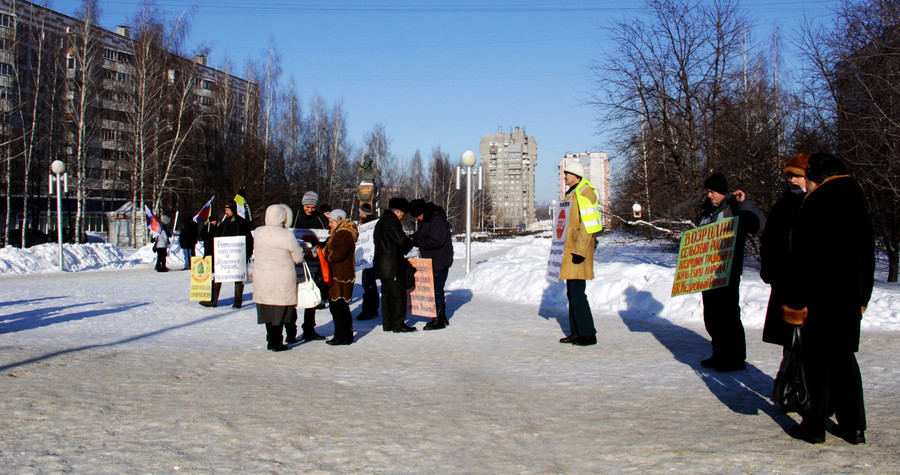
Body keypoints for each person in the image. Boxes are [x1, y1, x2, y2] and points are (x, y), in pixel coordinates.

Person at [783, 153, 875, 445]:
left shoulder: (817, 203)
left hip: (819, 299)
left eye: (807, 176)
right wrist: (862, 297)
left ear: (818, 177)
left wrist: (796, 305)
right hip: (847, 300)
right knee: (845, 362)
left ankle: (813, 426)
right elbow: (868, 257)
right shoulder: (857, 200)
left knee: (816, 365)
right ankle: (854, 426)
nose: (804, 181)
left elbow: (803, 259)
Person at [697, 172, 765, 371]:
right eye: (708, 191)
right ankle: (719, 353)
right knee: (712, 315)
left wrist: (744, 204)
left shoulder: (734, 207)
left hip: (727, 270)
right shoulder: (707, 212)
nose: (709, 195)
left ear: (721, 191)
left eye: (712, 191)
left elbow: (756, 225)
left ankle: (734, 358)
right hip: (708, 272)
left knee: (728, 314)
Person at [760, 154, 809, 349]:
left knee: (808, 341)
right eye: (789, 176)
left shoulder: (816, 204)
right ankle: (789, 377)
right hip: (783, 281)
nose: (792, 180)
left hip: (807, 285)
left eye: (797, 175)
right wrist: (769, 269)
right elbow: (768, 240)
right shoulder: (781, 205)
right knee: (788, 339)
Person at [557, 163, 602, 346]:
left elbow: (589, 225)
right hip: (569, 249)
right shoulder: (572, 193)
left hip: (577, 250)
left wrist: (580, 250)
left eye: (566, 173)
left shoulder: (585, 193)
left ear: (575, 175)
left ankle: (587, 334)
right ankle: (577, 332)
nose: (564, 177)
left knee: (577, 292)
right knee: (572, 292)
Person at [253, 204, 306, 352]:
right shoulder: (287, 235)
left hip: (262, 277)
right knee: (280, 310)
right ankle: (277, 341)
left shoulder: (258, 232)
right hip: (282, 278)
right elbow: (298, 257)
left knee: (267, 309)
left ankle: (270, 339)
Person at [200, 200, 254, 309]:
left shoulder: (242, 223)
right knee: (218, 277)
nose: (226, 212)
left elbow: (249, 239)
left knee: (238, 278)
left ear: (233, 210)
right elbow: (217, 238)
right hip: (224, 256)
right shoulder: (223, 224)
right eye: (225, 210)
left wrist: (248, 253)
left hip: (238, 255)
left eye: (228, 210)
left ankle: (237, 302)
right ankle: (213, 300)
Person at [374, 197, 416, 333]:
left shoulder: (381, 221)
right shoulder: (392, 222)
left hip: (382, 265)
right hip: (392, 266)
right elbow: (400, 240)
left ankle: (388, 323)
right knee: (398, 295)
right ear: (398, 212)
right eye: (402, 214)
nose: (402, 216)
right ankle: (398, 323)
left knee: (387, 296)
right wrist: (409, 241)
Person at [409, 199, 452, 330]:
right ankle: (441, 317)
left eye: (417, 216)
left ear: (422, 212)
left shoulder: (436, 219)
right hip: (435, 260)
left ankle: (438, 319)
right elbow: (424, 233)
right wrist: (413, 237)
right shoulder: (429, 219)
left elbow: (436, 240)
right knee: (437, 290)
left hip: (439, 260)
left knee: (436, 291)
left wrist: (418, 242)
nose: (417, 219)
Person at [294, 191, 329, 341]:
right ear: (303, 205)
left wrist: (318, 247)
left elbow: (326, 237)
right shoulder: (295, 217)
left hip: (314, 262)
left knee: (312, 294)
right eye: (307, 207)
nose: (310, 210)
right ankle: (291, 330)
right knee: (293, 296)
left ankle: (309, 328)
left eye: (313, 207)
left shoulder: (320, 218)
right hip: (296, 262)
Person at [322, 209, 359, 345]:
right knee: (340, 307)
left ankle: (342, 336)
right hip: (340, 275)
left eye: (331, 222)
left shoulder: (343, 234)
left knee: (338, 307)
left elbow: (337, 254)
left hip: (340, 277)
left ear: (338, 221)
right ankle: (344, 335)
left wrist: (324, 254)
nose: (330, 225)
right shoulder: (341, 233)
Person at [357, 203, 380, 320]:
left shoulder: (369, 225)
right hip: (370, 257)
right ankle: (373, 308)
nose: (359, 214)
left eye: (361, 212)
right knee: (370, 283)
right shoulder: (373, 223)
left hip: (369, 258)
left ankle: (368, 309)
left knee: (368, 283)